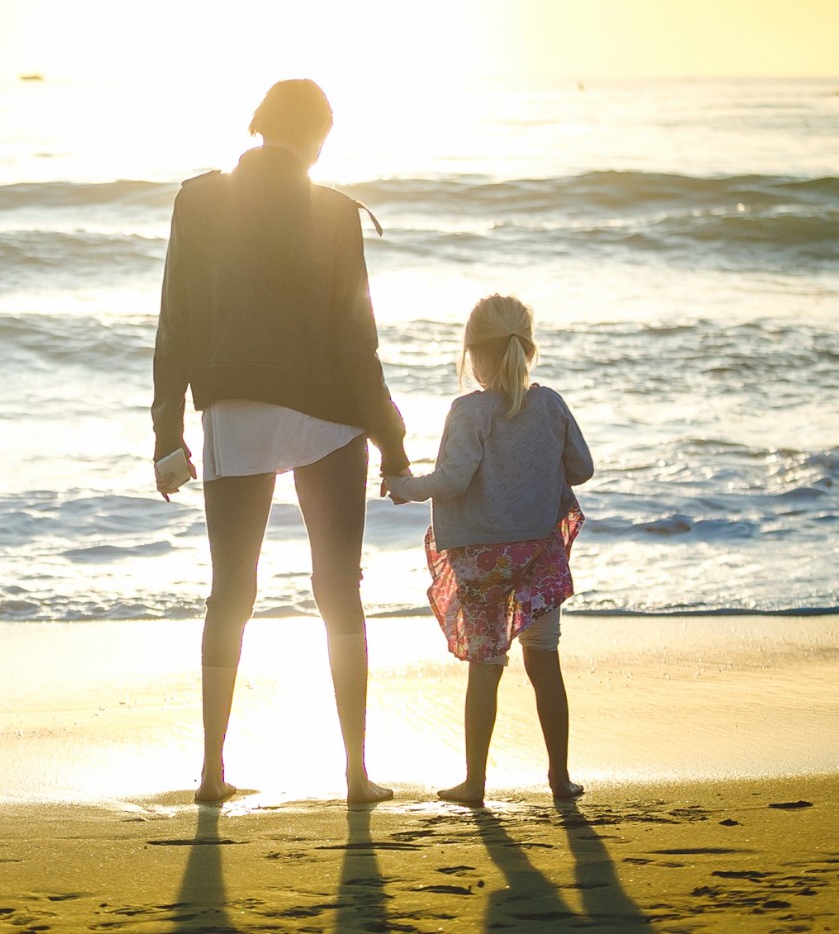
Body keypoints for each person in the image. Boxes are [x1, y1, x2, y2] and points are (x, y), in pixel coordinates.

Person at [152, 79, 408, 805]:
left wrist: (167, 433)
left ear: (262, 126)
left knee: (231, 590)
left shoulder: (198, 201)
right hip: (328, 414)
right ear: (319, 135)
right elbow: (358, 341)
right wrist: (390, 441)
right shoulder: (334, 211)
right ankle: (356, 773)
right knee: (338, 591)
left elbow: (176, 322)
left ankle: (210, 772)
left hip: (233, 407)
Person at [387, 293, 593, 804]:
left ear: (474, 355)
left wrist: (404, 484)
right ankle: (560, 779)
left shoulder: (469, 411)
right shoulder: (550, 404)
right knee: (544, 662)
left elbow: (454, 481)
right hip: (539, 555)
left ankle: (475, 783)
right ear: (527, 349)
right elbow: (583, 470)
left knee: (487, 665)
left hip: (483, 562)